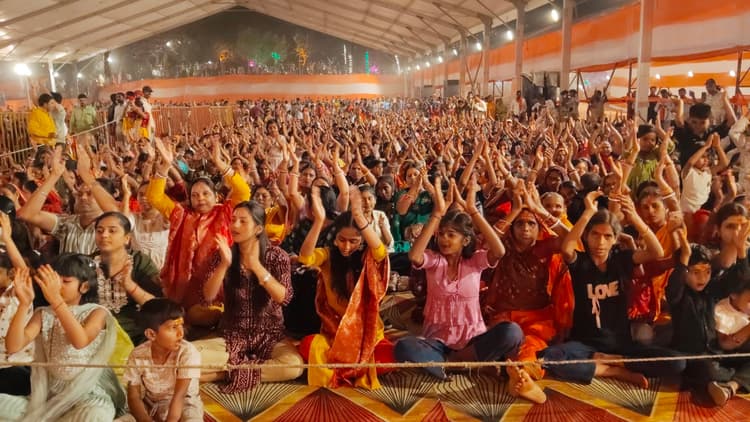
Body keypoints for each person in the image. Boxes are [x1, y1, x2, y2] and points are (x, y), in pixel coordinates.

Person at [395, 177, 546, 403]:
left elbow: (499, 250)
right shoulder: (435, 261)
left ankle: (454, 364)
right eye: (441, 234)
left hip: (472, 340)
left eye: (451, 235)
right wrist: (437, 213)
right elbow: (415, 255)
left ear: (465, 240)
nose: (444, 239)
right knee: (404, 346)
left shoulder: (475, 261)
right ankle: (467, 364)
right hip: (438, 343)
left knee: (512, 332)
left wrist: (473, 212)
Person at [541, 191, 686, 386]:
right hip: (586, 345)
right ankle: (614, 371)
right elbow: (567, 248)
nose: (600, 242)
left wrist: (634, 217)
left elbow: (656, 252)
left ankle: (614, 362)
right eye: (595, 235)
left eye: (607, 236)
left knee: (677, 362)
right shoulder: (581, 262)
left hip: (621, 345)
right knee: (549, 357)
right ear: (586, 236)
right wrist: (588, 212)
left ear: (615, 239)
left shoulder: (621, 259)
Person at [194, 201, 303, 392]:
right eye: (233, 220)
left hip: (270, 336)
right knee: (187, 357)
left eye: (243, 221)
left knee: (294, 366)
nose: (235, 225)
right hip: (231, 336)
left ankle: (224, 372)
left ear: (258, 229)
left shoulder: (277, 256)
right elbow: (207, 298)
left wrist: (258, 268)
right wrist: (224, 264)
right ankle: (239, 369)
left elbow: (284, 298)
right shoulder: (223, 255)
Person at [0, 256, 125, 420]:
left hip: (87, 396)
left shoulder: (97, 312)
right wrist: (24, 304)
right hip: (50, 397)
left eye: (65, 281)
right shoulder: (43, 313)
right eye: (54, 280)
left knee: (94, 416)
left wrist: (56, 300)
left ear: (84, 287)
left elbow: (79, 341)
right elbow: (13, 346)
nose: (57, 286)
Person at [146, 138, 250, 326]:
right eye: (194, 195)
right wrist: (165, 166)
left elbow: (243, 192)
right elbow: (154, 197)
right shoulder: (181, 214)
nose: (200, 198)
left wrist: (220, 163)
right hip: (184, 285)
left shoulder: (226, 212)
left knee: (206, 316)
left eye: (205, 194)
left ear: (216, 196)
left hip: (217, 282)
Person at [297, 187, 393, 389]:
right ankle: (348, 369)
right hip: (334, 333)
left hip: (367, 336)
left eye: (353, 241)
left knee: (389, 356)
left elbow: (380, 251)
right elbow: (305, 258)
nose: (346, 247)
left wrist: (359, 217)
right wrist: (318, 222)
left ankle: (342, 368)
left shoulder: (369, 258)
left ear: (362, 240)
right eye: (341, 240)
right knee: (308, 345)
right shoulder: (328, 255)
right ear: (334, 238)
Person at [122, 299, 203, 422]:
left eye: (181, 325)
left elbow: (179, 396)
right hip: (152, 404)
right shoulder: (138, 354)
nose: (181, 333)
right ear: (151, 334)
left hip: (185, 403)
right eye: (174, 327)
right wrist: (146, 420)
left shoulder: (187, 352)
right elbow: (134, 396)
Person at [0, 212, 33, 396]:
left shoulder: (19, 292)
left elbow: (23, 270)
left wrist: (7, 238)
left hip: (15, 367)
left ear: (11, 273)